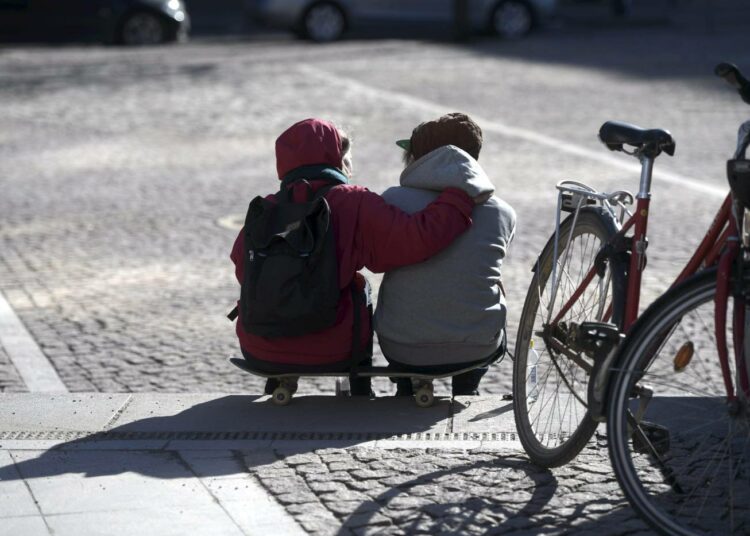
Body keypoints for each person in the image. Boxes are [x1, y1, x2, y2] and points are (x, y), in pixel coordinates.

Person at [230, 118, 482, 396]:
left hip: (258, 347)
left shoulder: (267, 209)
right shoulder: (352, 202)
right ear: (338, 160)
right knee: (362, 289)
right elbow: (415, 239)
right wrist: (458, 198)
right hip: (331, 349)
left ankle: (276, 378)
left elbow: (242, 265)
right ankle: (361, 388)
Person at [374, 113, 516, 396]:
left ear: (416, 157)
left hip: (402, 346)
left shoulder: (391, 201)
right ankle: (467, 389)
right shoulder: (502, 212)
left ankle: (407, 389)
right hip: (476, 347)